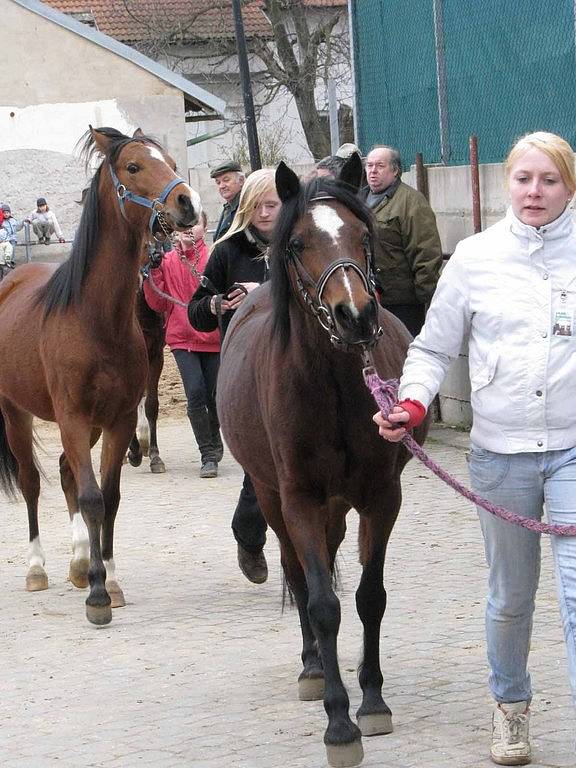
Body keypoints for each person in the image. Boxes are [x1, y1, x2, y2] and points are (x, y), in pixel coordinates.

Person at [374, 131, 576, 766]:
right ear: (505, 184)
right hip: (499, 453)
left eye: (549, 180)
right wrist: (413, 402)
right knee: (511, 596)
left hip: (573, 447)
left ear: (569, 186)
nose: (535, 192)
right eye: (524, 179)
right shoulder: (475, 258)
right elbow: (433, 348)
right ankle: (510, 707)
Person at [188, 168, 281, 585]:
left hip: (292, 366)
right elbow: (196, 308)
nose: (265, 213)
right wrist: (220, 304)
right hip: (244, 372)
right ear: (246, 208)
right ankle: (248, 533)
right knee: (258, 464)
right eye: (258, 205)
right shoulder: (227, 251)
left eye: (273, 205)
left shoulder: (300, 243)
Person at [142, 212, 222, 479]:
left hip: (212, 338)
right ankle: (207, 454)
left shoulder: (214, 258)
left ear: (205, 228)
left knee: (213, 395)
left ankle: (214, 435)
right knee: (196, 392)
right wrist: (152, 271)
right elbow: (158, 303)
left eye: (195, 225)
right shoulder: (166, 261)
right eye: (183, 226)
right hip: (182, 337)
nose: (188, 231)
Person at [359, 145, 443, 336]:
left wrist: (424, 300)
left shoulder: (411, 202)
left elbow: (426, 253)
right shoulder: (358, 200)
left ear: (395, 170)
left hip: (402, 304)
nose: (373, 171)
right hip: (366, 299)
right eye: (369, 165)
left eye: (380, 166)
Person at [210, 160, 245, 241]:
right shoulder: (229, 206)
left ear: (241, 180)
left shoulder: (245, 205)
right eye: (218, 182)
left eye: (226, 180)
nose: (221, 186)